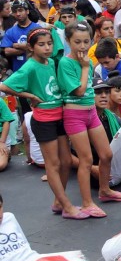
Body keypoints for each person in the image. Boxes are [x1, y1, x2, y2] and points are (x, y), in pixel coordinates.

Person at [0, 29, 84, 219]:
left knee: (67, 160)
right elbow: (4, 86)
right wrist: (29, 95)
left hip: (60, 115)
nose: (47, 47)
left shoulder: (52, 62)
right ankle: (67, 205)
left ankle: (58, 201)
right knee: (53, 164)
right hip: (44, 118)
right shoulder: (29, 67)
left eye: (49, 43)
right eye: (41, 44)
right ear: (31, 47)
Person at [57, 22, 121, 217]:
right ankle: (87, 203)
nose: (82, 46)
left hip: (90, 112)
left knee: (106, 154)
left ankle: (104, 190)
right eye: (77, 42)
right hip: (75, 114)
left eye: (86, 42)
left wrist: (85, 66)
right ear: (69, 41)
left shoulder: (84, 62)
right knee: (86, 160)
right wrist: (85, 67)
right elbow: (79, 90)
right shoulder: (67, 63)